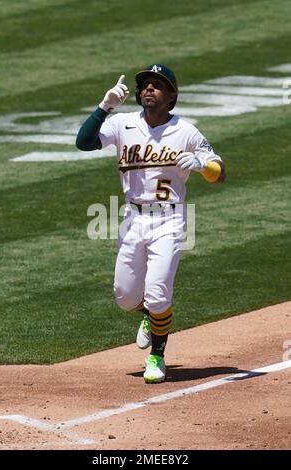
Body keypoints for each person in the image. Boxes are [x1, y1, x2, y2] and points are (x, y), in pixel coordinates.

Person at [76, 64, 225, 383]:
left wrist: (202, 166)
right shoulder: (122, 124)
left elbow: (219, 172)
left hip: (169, 220)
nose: (148, 89)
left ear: (171, 95)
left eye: (157, 85)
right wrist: (104, 108)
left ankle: (157, 356)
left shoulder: (185, 131)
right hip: (132, 218)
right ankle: (150, 317)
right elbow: (84, 143)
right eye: (145, 84)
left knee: (158, 294)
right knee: (125, 296)